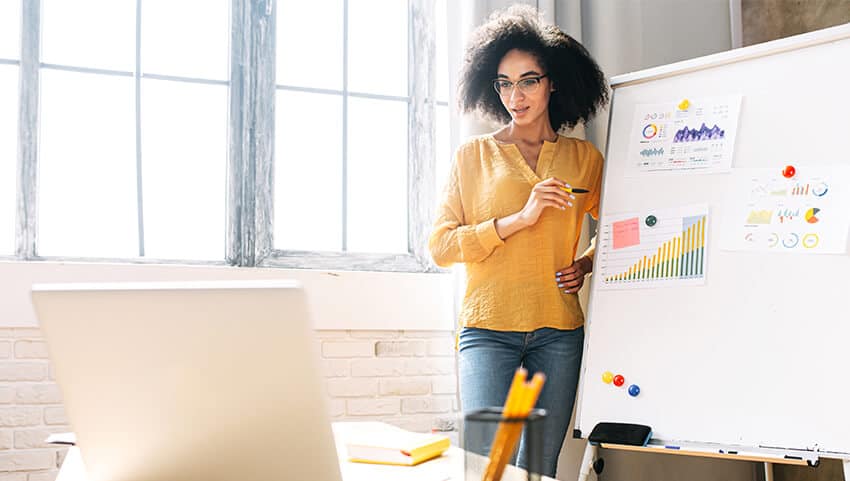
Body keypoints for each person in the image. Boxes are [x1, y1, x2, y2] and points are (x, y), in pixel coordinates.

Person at [428, 5, 608, 478]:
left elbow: (621, 230)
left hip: (559, 334)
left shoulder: (584, 159)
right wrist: (518, 219)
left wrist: (587, 263)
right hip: (488, 332)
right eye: (504, 83)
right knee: (491, 466)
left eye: (528, 80)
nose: (516, 95)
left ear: (553, 83)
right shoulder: (473, 156)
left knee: (539, 468)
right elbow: (441, 246)